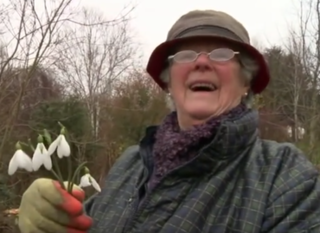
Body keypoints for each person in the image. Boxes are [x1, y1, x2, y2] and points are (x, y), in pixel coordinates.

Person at [17, 10, 320, 233]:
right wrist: (52, 216)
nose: (202, 61)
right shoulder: (129, 165)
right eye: (185, 54)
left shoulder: (286, 177)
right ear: (168, 83)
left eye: (222, 52)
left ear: (246, 83)